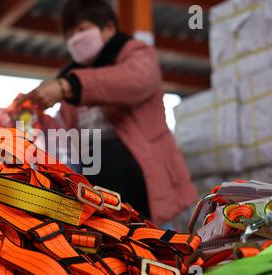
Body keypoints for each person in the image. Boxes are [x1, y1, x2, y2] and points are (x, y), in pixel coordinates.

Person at [27, 0, 197, 225]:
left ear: (108, 28)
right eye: (69, 35)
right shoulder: (71, 81)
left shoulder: (138, 56)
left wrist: (68, 86)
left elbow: (133, 81)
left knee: (163, 249)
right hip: (105, 194)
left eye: (82, 30)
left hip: (149, 191)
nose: (75, 39)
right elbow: (66, 138)